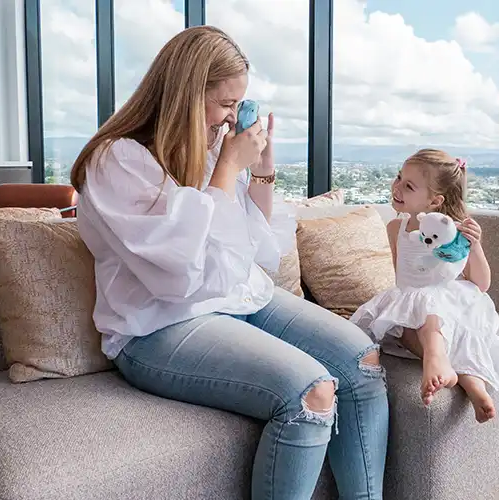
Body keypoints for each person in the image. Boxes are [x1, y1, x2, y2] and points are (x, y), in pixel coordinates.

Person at [70, 26, 388, 500]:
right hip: (159, 323)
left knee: (361, 362)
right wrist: (226, 169)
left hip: (236, 297)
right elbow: (178, 270)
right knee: (311, 393)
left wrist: (260, 170)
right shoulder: (116, 160)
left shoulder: (208, 149)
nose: (231, 118)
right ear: (184, 94)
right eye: (224, 104)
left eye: (238, 105)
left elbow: (254, 244)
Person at [350, 149, 499, 423]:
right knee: (406, 328)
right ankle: (464, 378)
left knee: (430, 317)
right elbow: (401, 278)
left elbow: (481, 284)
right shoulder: (396, 228)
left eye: (409, 186)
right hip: (412, 301)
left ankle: (442, 362)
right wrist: (405, 308)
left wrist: (475, 246)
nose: (397, 187)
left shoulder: (453, 232)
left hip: (450, 305)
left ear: (434, 201)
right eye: (398, 177)